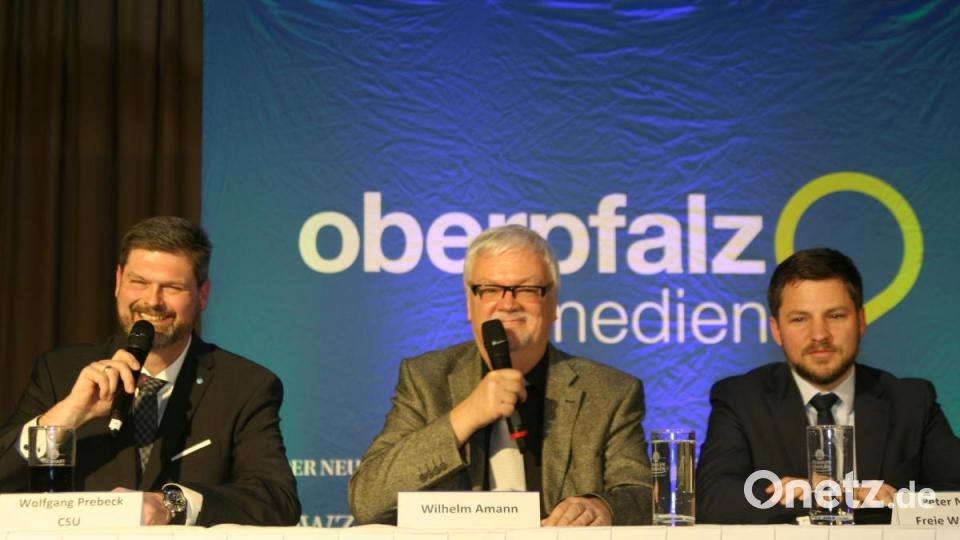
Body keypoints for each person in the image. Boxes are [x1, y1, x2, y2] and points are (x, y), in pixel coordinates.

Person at [0, 216, 300, 526]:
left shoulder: (244, 385)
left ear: (203, 294)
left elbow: (278, 500)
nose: (152, 301)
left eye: (172, 287)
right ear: (118, 282)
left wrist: (170, 503)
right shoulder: (60, 372)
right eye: (139, 282)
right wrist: (68, 415)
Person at [348, 225, 651, 526]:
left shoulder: (610, 393)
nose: (508, 303)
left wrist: (602, 507)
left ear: (553, 302)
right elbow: (367, 502)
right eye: (491, 289)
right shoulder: (427, 380)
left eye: (528, 289)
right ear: (470, 303)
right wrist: (464, 417)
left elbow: (641, 496)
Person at [696, 247, 960, 524]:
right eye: (800, 319)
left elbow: (953, 492)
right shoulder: (742, 399)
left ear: (860, 321)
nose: (819, 334)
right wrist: (817, 495)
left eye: (835, 316)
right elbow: (713, 497)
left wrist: (895, 500)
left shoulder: (911, 401)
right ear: (776, 330)